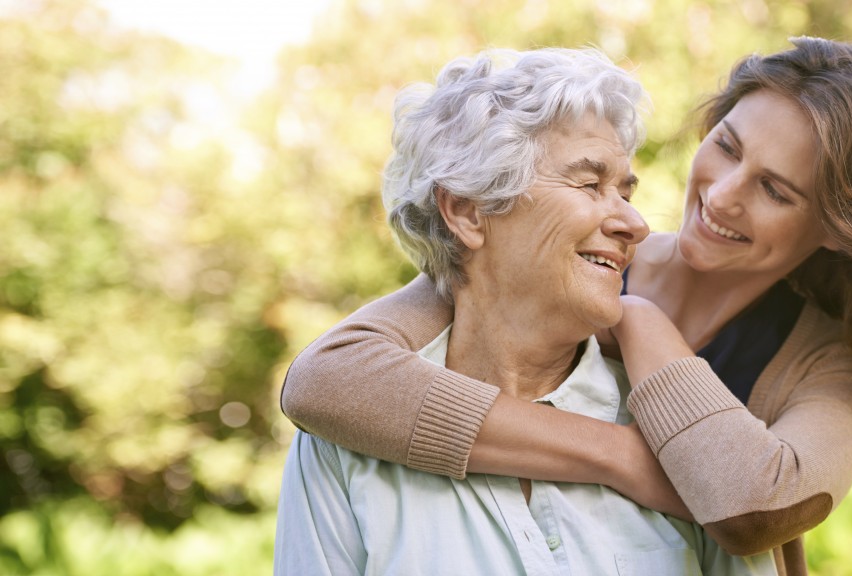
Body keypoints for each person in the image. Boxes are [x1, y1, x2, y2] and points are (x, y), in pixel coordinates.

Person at [279, 37, 852, 575]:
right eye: (726, 146)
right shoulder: (565, 261)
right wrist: (625, 458)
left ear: (840, 226)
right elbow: (326, 381)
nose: (721, 195)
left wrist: (640, 320)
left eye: (777, 191)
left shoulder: (827, 363)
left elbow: (754, 505)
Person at [274, 47, 778, 575]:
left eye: (627, 191)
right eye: (590, 184)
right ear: (468, 211)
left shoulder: (684, 441)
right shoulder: (341, 449)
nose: (636, 222)